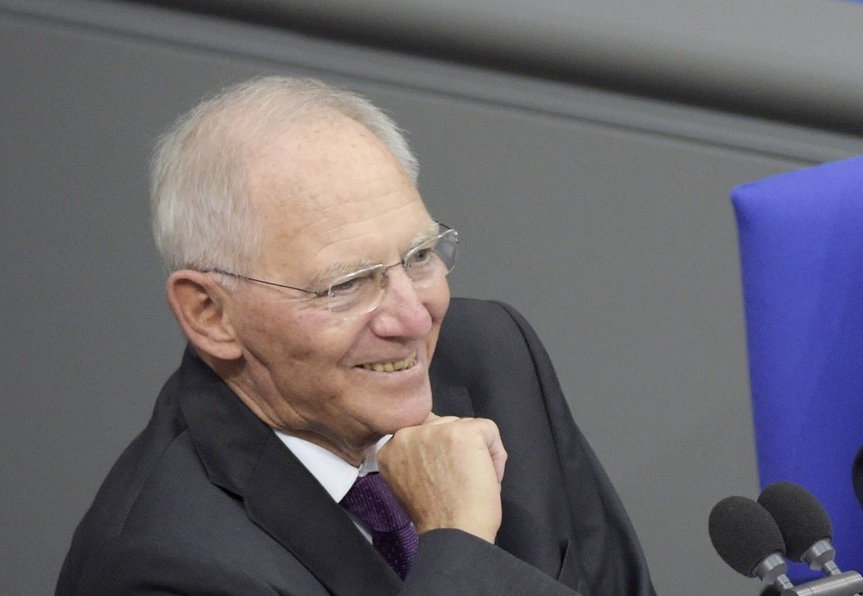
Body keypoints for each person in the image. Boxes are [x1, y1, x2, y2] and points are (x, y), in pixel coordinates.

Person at [56, 76, 655, 595]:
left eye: (419, 255)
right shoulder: (158, 564)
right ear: (211, 314)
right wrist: (458, 542)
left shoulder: (493, 357)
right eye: (345, 284)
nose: (413, 320)